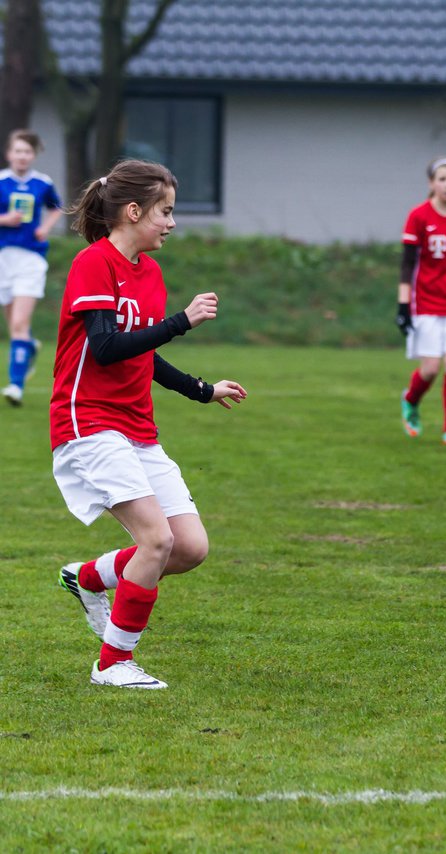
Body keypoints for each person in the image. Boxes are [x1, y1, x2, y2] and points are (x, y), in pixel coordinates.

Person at [50, 160, 247, 689]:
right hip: (88, 426)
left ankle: (88, 576)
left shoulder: (150, 274)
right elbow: (109, 349)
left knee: (188, 547)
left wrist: (203, 390)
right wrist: (180, 321)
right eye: (166, 211)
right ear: (134, 212)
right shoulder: (94, 264)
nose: (172, 223)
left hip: (137, 429)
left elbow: (146, 357)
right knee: (155, 540)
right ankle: (112, 664)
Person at [397, 157, 446, 447]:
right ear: (431, 183)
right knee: (430, 368)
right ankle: (410, 400)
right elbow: (407, 266)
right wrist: (403, 305)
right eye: (442, 179)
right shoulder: (418, 216)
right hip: (425, 301)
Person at [0, 130, 62, 406]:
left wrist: (45, 229)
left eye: (27, 151)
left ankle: (16, 385)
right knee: (14, 328)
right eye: (18, 151)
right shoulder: (1, 181)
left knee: (19, 323)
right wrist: (5, 219)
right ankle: (28, 348)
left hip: (31, 259)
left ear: (33, 155)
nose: (22, 156)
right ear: (9, 154)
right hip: (4, 258)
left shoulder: (42, 182)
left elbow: (56, 207)